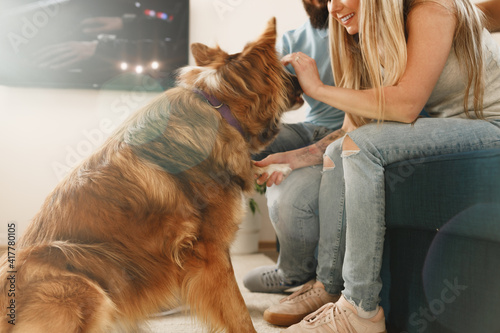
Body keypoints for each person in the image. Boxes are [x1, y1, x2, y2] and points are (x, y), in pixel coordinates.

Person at [256, 0, 500, 332]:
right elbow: (347, 130)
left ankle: (361, 309)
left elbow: (407, 104)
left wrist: (318, 89)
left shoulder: (431, 9)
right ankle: (328, 287)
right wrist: (293, 158)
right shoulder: (371, 37)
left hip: (492, 126)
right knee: (340, 149)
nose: (333, 7)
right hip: (454, 129)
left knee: (364, 146)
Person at [243, 0, 347, 299]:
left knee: (288, 187)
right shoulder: (292, 39)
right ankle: (174, 268)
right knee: (218, 151)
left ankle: (293, 273)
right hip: (307, 127)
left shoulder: (360, 35)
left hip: (347, 131)